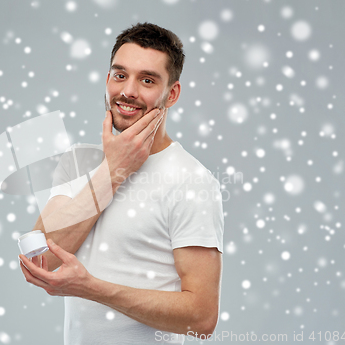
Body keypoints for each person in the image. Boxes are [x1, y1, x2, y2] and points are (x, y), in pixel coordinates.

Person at [19, 22, 224, 345]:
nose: (128, 91)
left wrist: (92, 289)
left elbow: (201, 318)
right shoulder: (78, 162)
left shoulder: (191, 181)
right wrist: (112, 172)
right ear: (107, 80)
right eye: (120, 75)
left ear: (171, 94)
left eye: (147, 80)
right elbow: (40, 262)